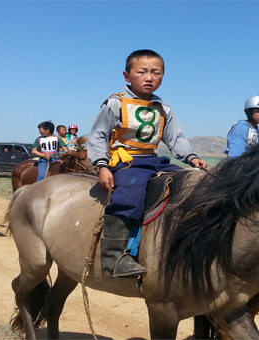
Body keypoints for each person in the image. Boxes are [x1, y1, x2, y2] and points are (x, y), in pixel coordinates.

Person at [88, 49, 208, 278]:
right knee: (130, 192)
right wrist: (102, 165)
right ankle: (113, 256)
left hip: (153, 160)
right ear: (127, 76)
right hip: (125, 161)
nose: (149, 77)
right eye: (142, 72)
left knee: (193, 183)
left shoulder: (164, 109)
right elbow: (98, 136)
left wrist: (192, 159)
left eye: (156, 73)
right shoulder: (115, 103)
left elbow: (176, 140)